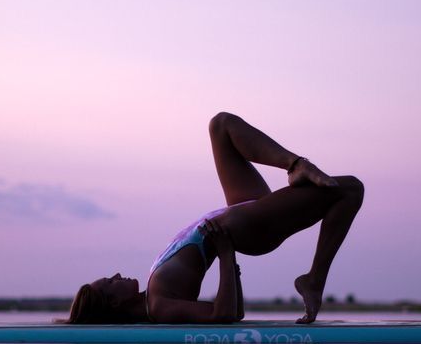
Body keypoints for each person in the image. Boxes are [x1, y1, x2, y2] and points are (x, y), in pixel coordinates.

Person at [68, 112, 364, 325]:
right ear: (114, 302)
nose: (117, 275)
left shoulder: (153, 292)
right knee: (349, 189)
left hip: (242, 211)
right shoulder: (158, 307)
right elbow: (222, 316)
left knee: (221, 125)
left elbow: (234, 312)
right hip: (250, 227)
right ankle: (315, 280)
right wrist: (225, 253)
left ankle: (295, 164)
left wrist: (230, 267)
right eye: (110, 281)